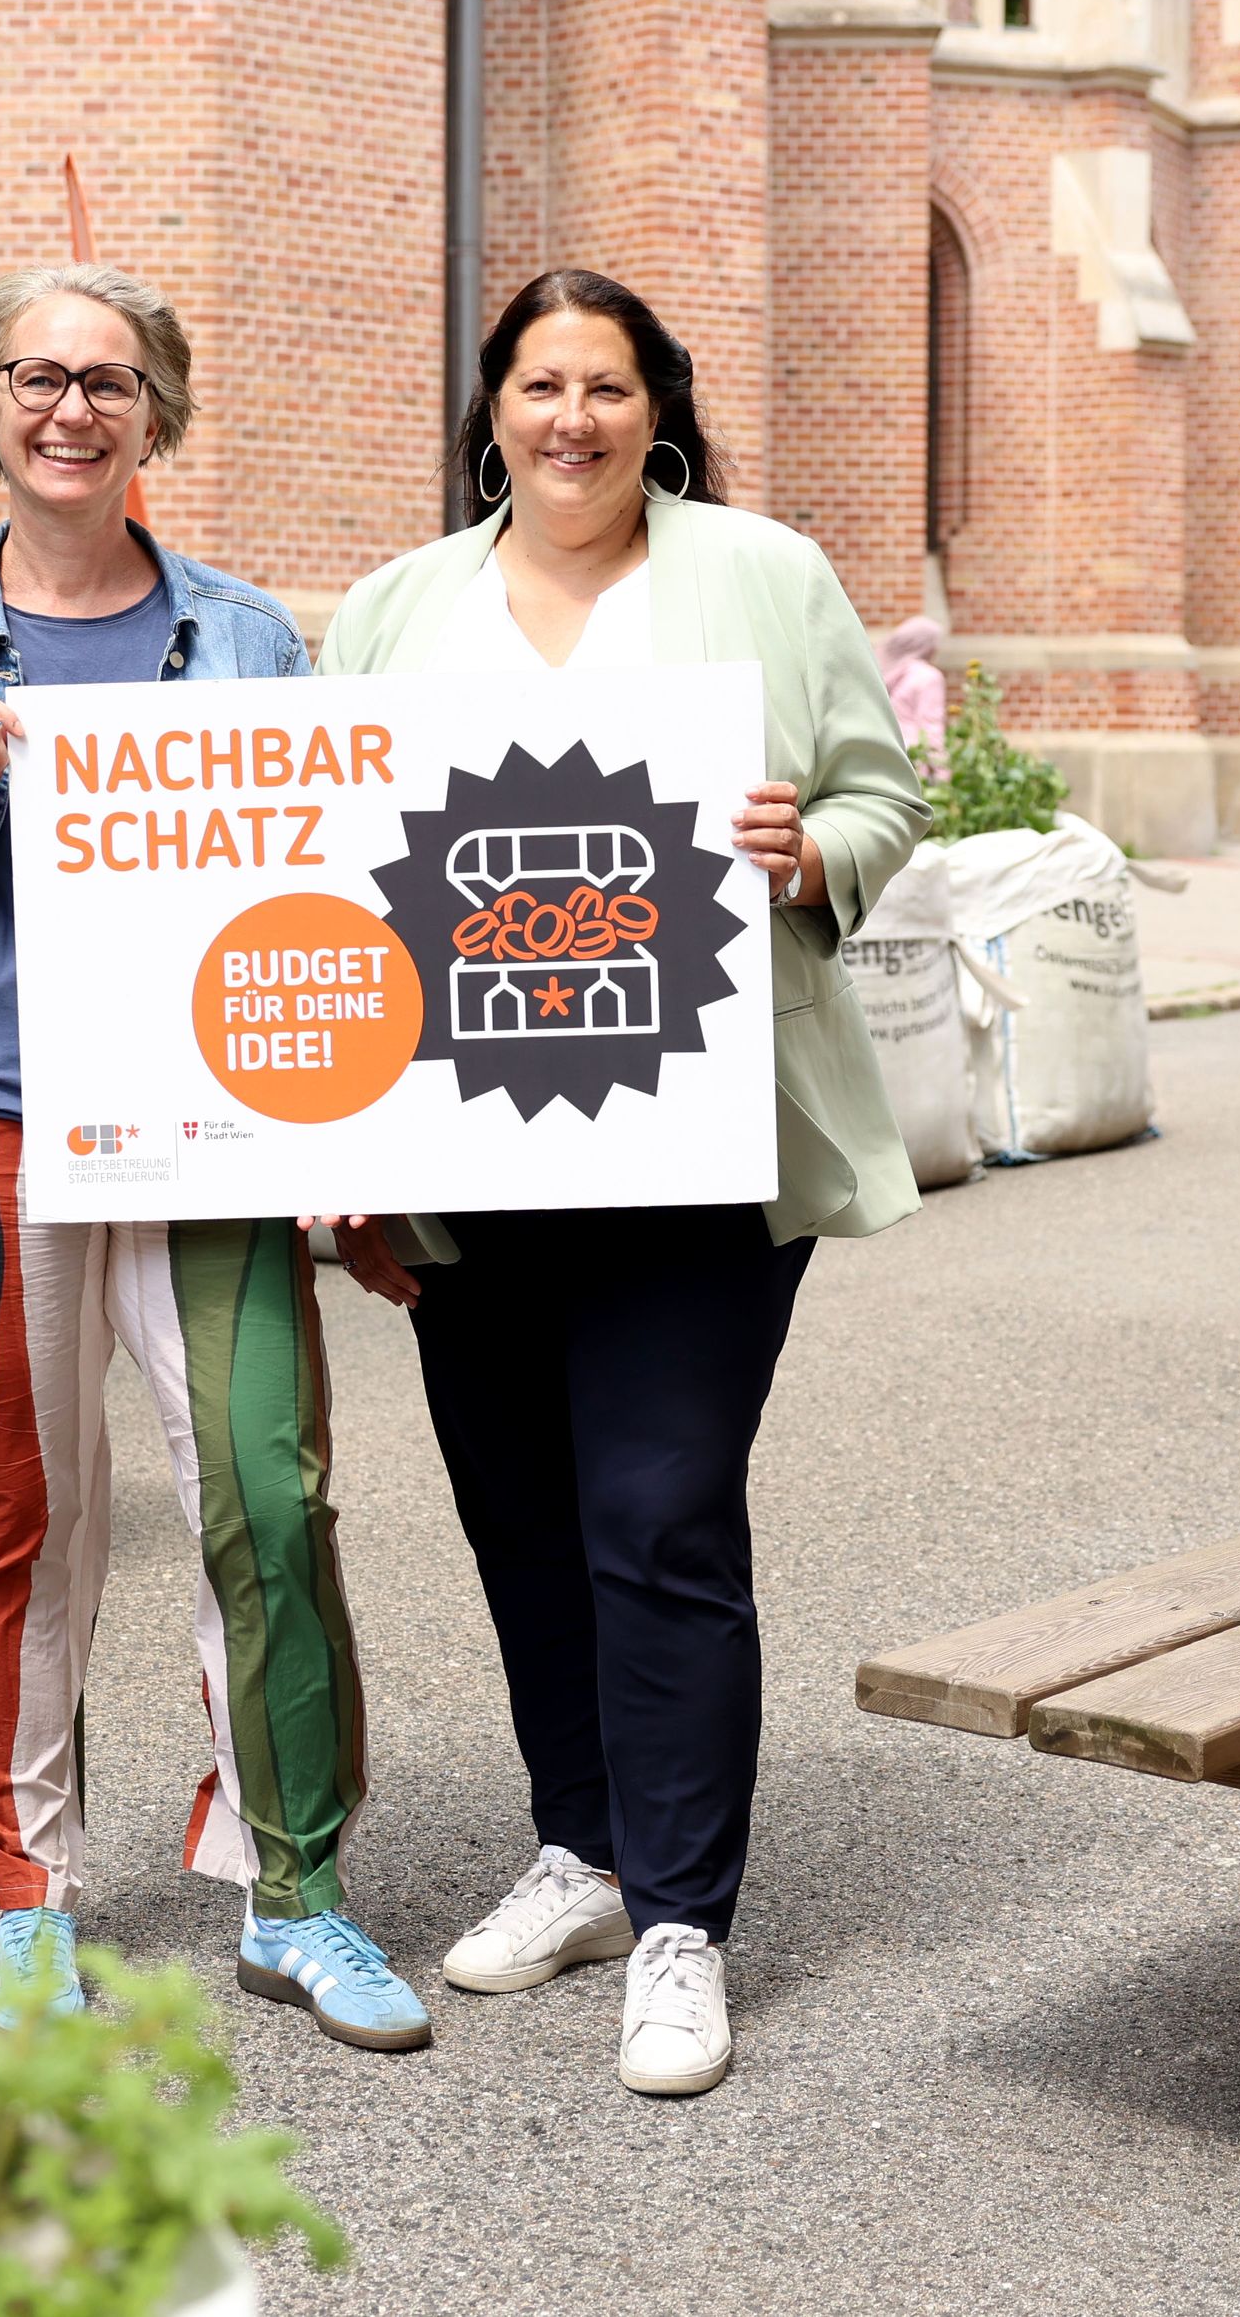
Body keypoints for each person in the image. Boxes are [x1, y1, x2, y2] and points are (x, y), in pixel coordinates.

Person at [0, 264, 429, 2052]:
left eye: (112, 378)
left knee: (270, 1496)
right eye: (36, 375)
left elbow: (330, 897)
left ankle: (294, 1893)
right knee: (14, 1518)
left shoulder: (252, 638)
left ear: (160, 412)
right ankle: (29, 1899)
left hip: (210, 1124)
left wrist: (354, 1131)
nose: (72, 406)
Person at [318, 269, 929, 2100]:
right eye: (539, 384)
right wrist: (337, 1156)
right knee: (519, 1518)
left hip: (697, 1149)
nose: (570, 417)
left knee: (656, 1515)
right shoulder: (394, 607)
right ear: (493, 410)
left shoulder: (764, 574)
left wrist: (804, 851)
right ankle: (581, 1852)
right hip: (467, 1149)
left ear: (655, 407)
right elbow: (323, 877)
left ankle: (680, 1919)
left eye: (605, 385)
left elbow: (884, 800)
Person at [881, 612, 949, 749]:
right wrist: (937, 759)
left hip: (889, 747)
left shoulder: (889, 672)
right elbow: (931, 726)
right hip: (915, 752)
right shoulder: (929, 677)